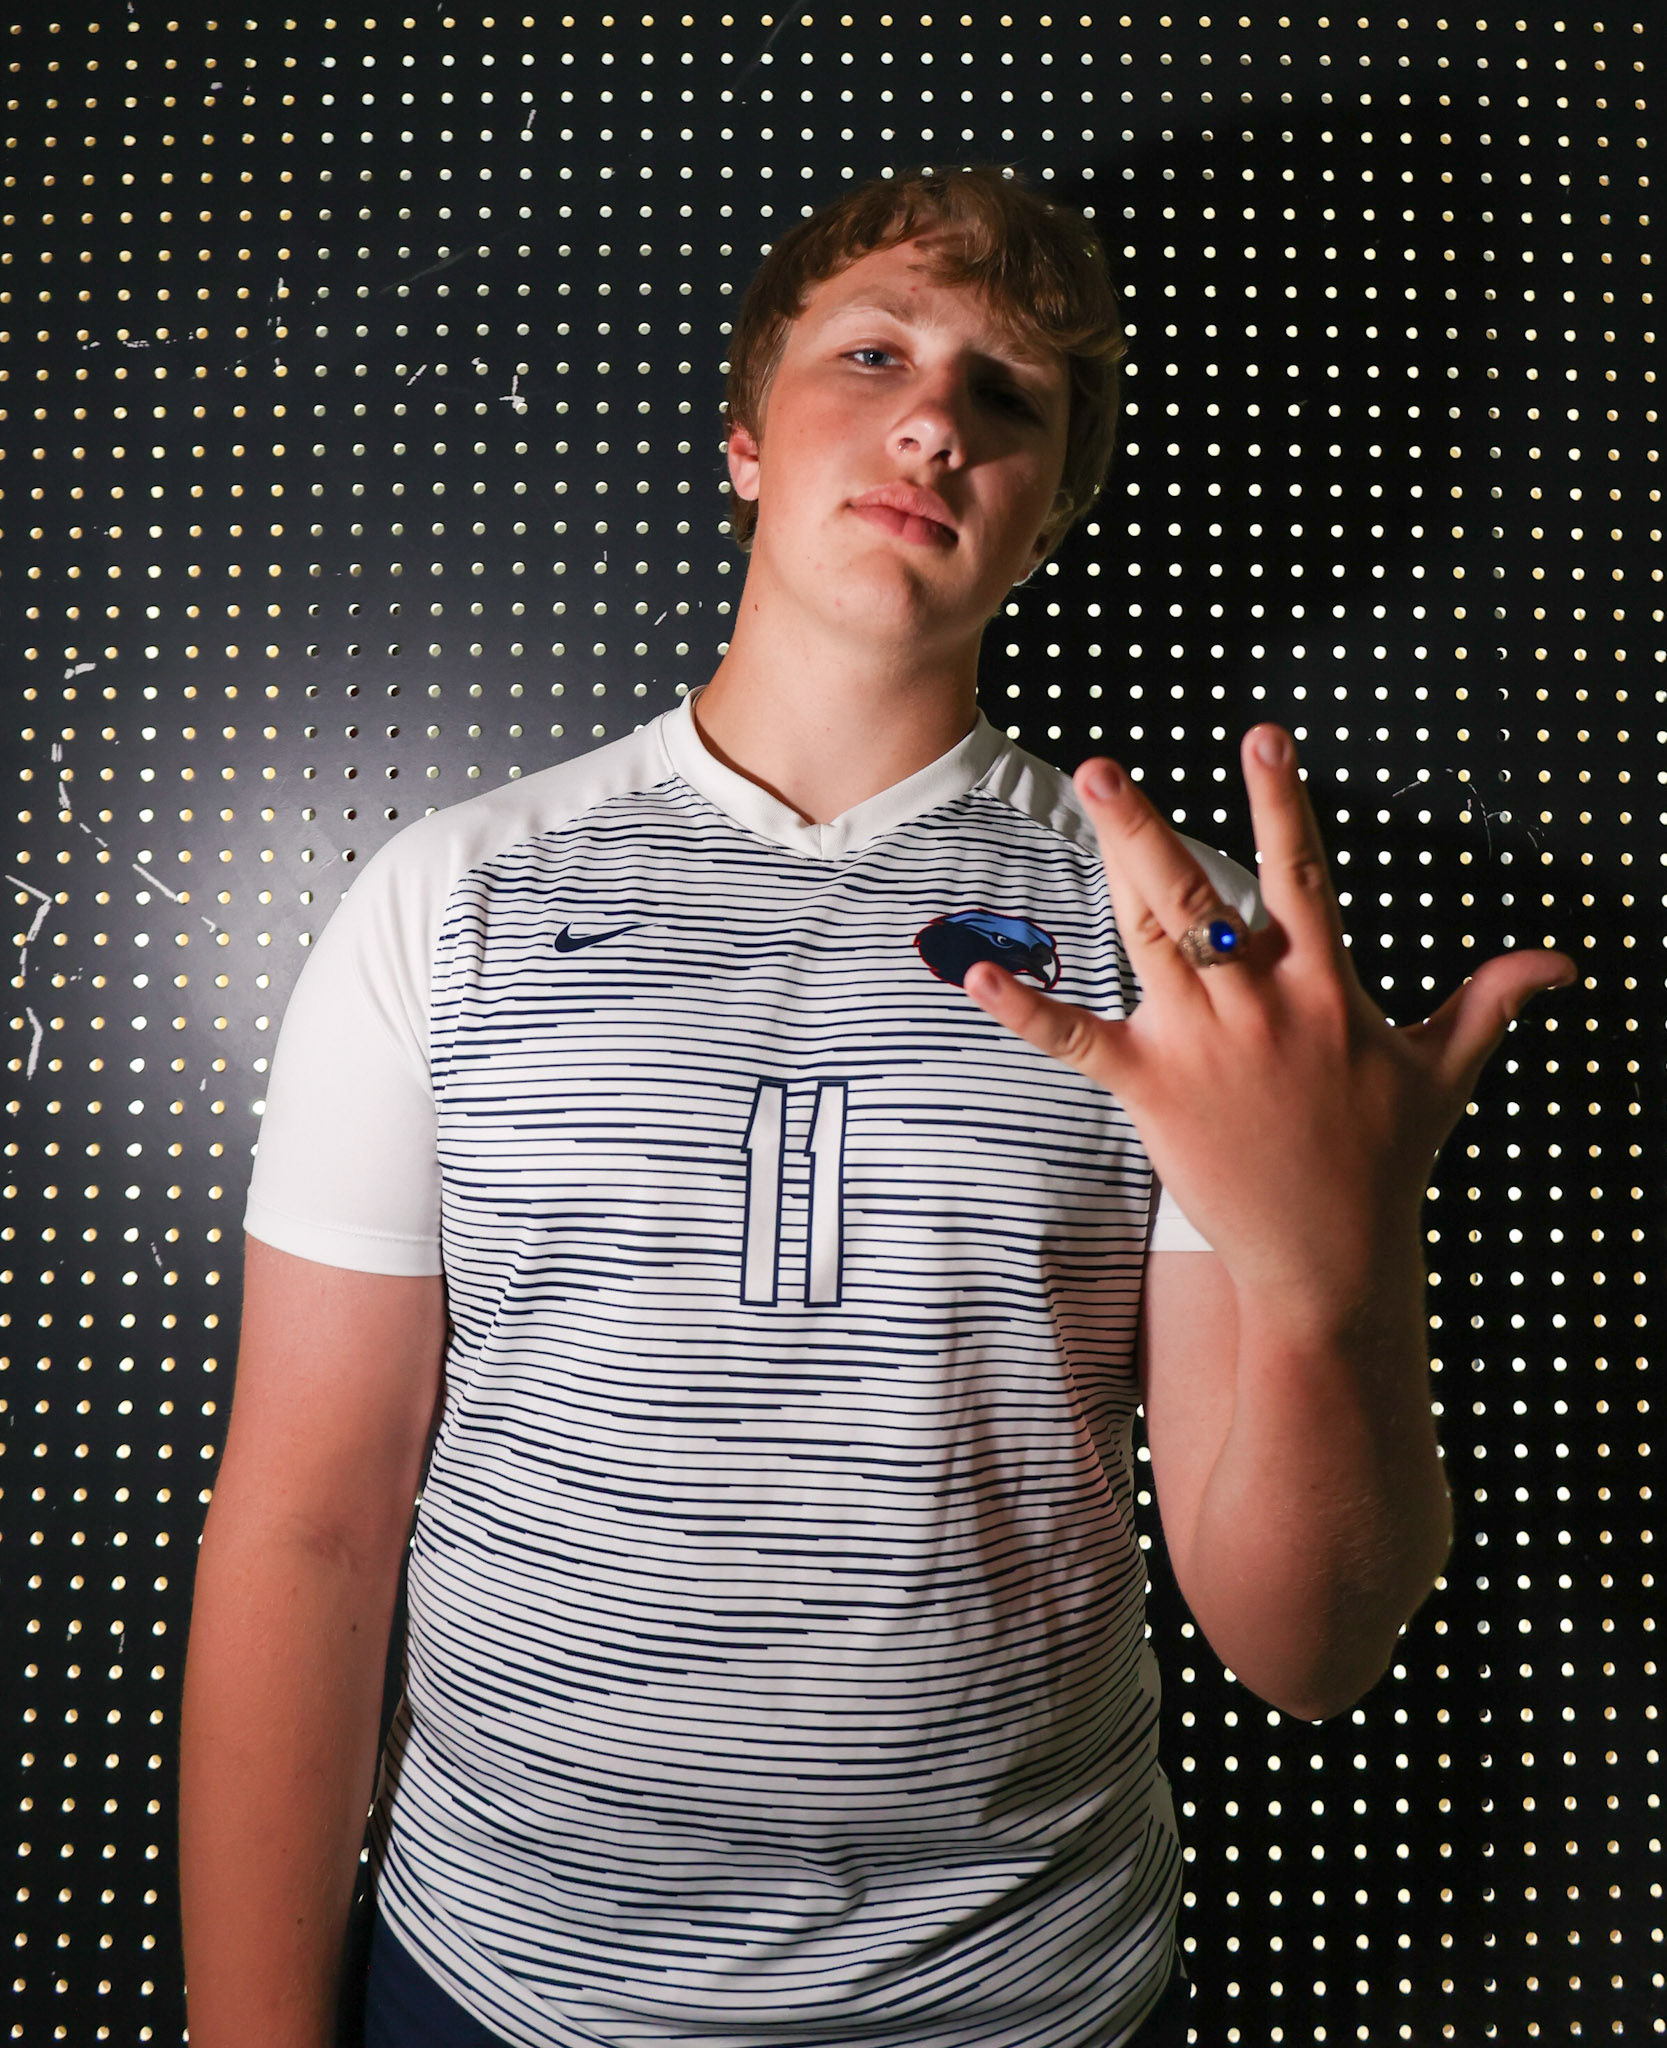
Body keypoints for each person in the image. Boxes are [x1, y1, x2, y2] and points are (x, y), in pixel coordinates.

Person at [177, 164, 1574, 2048]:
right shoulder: (452, 897)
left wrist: (1336, 1274)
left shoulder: (1186, 948)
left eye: (1009, 397)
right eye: (875, 353)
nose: (934, 416)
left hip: (1028, 1989)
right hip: (507, 1980)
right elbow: (309, 1529)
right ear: (748, 442)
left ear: (1045, 514)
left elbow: (1300, 1647)